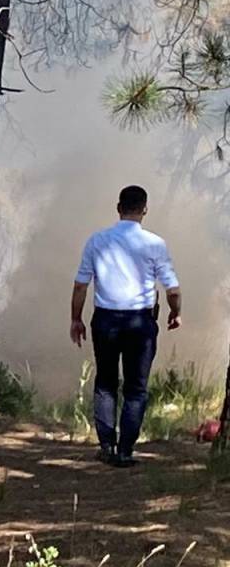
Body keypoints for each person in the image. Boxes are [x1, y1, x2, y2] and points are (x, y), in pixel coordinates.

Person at [71, 185, 181, 468]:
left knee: (106, 383)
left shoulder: (97, 241)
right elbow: (172, 289)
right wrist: (175, 313)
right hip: (140, 322)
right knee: (136, 387)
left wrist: (76, 319)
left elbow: (81, 284)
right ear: (144, 209)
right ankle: (126, 450)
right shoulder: (155, 244)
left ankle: (106, 446)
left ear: (118, 208)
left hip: (105, 320)